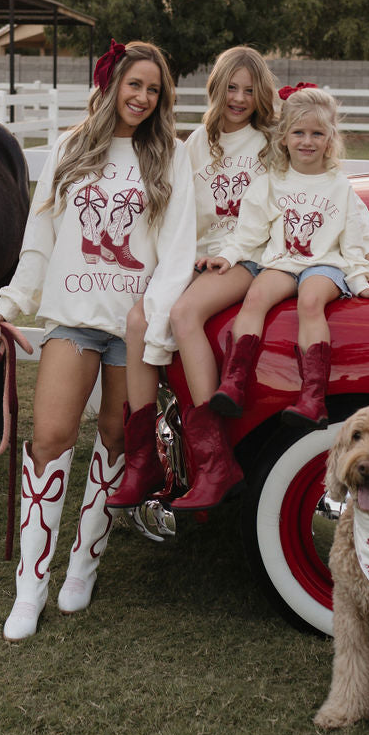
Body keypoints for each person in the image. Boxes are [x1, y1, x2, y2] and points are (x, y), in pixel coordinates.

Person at [0, 39, 195, 642]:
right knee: (50, 439)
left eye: (154, 90)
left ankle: (85, 562)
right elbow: (40, 238)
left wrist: (152, 317)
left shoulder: (171, 158)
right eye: (135, 85)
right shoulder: (72, 147)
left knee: (114, 437)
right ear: (112, 84)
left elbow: (178, 251)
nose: (142, 98)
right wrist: (8, 307)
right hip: (73, 318)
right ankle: (31, 586)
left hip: (136, 323)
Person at [109, 46, 279, 515]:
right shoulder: (194, 146)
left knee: (185, 313)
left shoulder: (269, 145)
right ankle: (143, 462)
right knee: (138, 322)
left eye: (249, 90)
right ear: (216, 88)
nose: (239, 98)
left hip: (248, 256)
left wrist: (227, 254)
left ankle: (214, 462)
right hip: (197, 256)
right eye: (231, 87)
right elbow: (181, 216)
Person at [205, 85, 369, 428]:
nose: (307, 141)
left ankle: (312, 398)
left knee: (310, 301)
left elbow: (355, 232)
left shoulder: (339, 186)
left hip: (326, 265)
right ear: (284, 137)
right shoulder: (271, 182)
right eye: (299, 132)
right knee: (256, 296)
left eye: (317, 134)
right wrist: (228, 256)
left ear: (330, 139)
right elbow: (249, 231)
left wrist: (362, 275)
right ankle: (233, 382)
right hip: (284, 262)